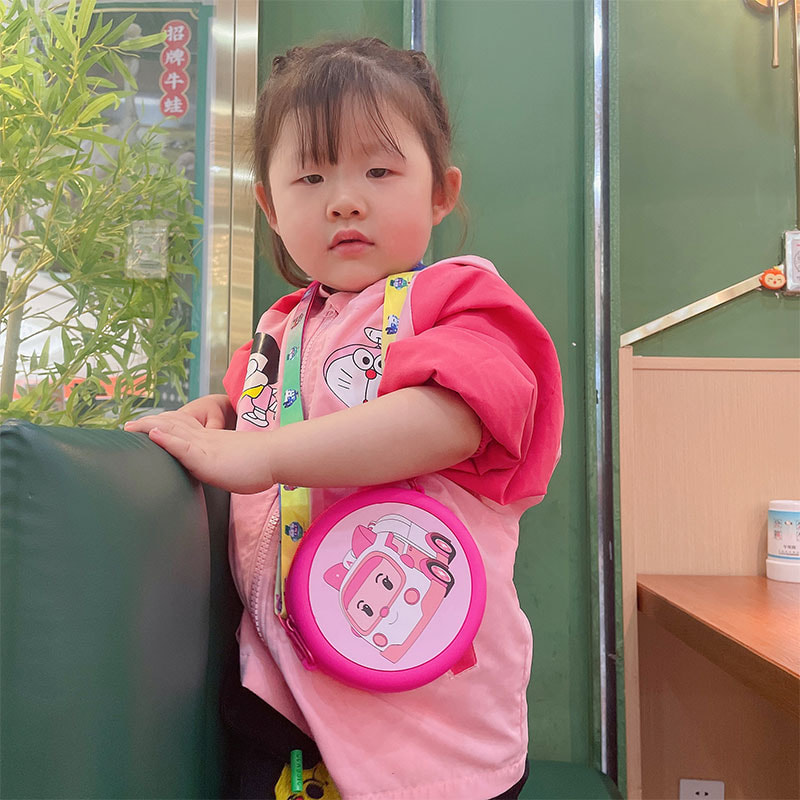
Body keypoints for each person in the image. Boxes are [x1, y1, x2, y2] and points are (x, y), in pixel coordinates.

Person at [126, 38, 564, 800]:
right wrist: (215, 415)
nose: (344, 200)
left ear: (440, 193)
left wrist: (265, 457)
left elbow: (453, 418)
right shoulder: (280, 329)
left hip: (428, 721)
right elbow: (250, 414)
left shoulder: (458, 300)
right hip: (279, 699)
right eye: (311, 176)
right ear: (270, 204)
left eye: (379, 172)